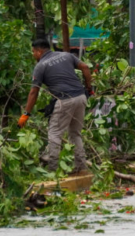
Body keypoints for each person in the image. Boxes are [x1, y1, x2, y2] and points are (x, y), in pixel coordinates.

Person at [18, 39, 93, 174]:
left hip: (64, 100)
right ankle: (81, 168)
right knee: (75, 134)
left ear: (39, 51)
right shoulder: (66, 55)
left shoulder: (41, 66)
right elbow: (86, 67)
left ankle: (52, 170)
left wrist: (26, 114)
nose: (33, 54)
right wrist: (89, 89)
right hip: (81, 97)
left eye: (33, 52)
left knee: (54, 134)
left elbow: (34, 92)